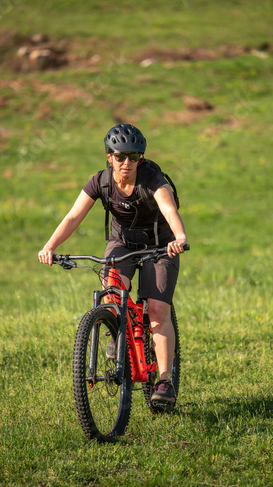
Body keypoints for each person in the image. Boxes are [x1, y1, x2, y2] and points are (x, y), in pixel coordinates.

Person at [38, 124, 187, 405]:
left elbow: (169, 209)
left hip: (160, 246)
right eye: (120, 157)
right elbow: (72, 217)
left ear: (140, 158)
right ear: (110, 157)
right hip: (122, 244)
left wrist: (179, 237)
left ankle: (165, 380)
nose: (126, 163)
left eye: (133, 157)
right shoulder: (100, 182)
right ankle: (117, 332)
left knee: (156, 309)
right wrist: (50, 246)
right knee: (111, 293)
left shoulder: (153, 180)